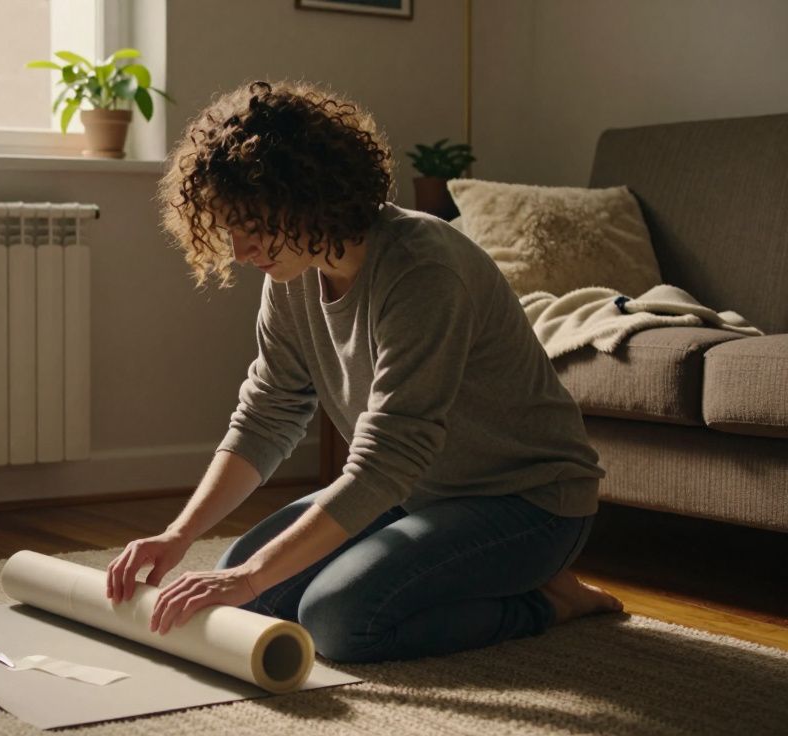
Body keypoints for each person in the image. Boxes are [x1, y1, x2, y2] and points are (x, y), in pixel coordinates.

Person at [103, 80, 623, 664]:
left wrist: (252, 574)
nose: (242, 251)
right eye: (231, 229)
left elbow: (385, 462)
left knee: (340, 619)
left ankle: (548, 603)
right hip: (416, 497)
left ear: (309, 195)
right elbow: (265, 417)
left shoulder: (423, 268)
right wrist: (180, 536)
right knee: (244, 599)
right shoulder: (291, 273)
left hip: (529, 505)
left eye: (254, 224)